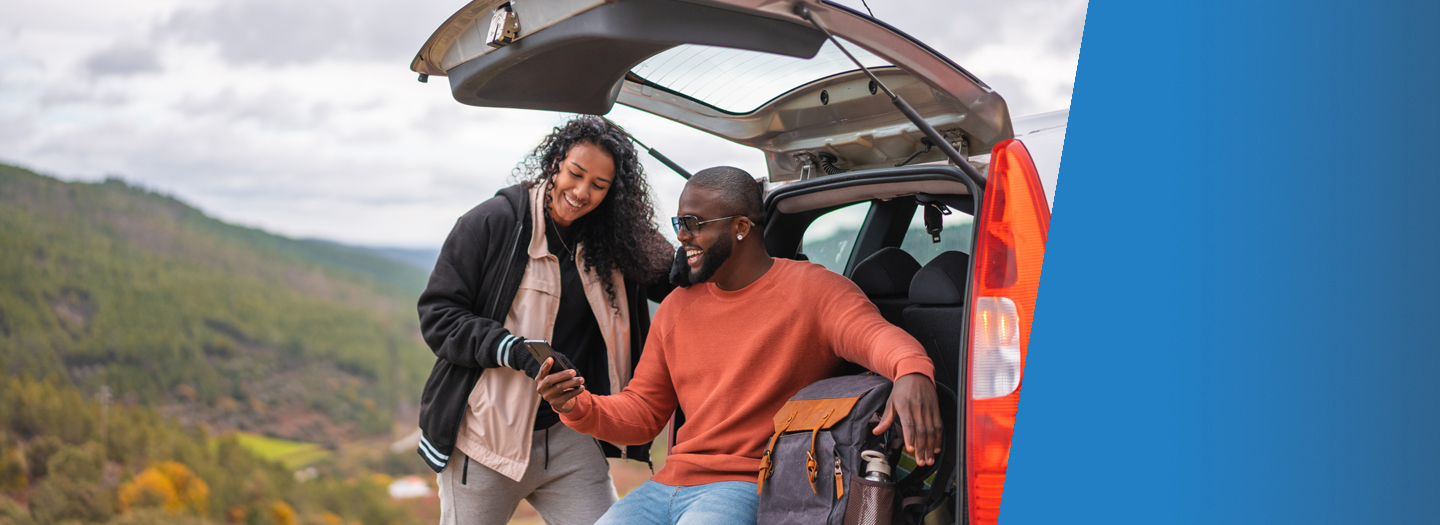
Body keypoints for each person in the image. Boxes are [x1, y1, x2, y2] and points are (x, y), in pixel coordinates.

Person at [536, 166, 943, 525]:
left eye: (694, 223)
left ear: (741, 227)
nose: (682, 236)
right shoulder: (679, 306)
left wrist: (911, 372)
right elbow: (643, 412)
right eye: (679, 222)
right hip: (666, 486)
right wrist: (576, 404)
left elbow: (878, 338)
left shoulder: (812, 290)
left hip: (747, 483)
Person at [416, 116, 674, 525]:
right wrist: (515, 350)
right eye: (575, 173)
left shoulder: (616, 237)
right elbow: (439, 316)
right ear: (555, 160)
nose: (581, 192)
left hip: (571, 436)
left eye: (599, 186)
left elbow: (680, 279)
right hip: (486, 439)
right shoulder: (493, 222)